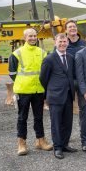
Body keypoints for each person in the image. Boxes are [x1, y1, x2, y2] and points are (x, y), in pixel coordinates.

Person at [8, 28, 53, 156]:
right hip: (23, 91)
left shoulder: (42, 52)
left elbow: (46, 71)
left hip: (39, 90)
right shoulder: (17, 53)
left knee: (39, 117)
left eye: (34, 36)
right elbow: (12, 73)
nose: (33, 38)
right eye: (30, 36)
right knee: (22, 117)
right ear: (24, 38)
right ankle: (21, 144)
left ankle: (40, 141)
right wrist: (22, 82)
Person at [40, 33, 77, 159]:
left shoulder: (71, 57)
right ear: (55, 43)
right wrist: (49, 93)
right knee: (56, 123)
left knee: (67, 122)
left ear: (67, 42)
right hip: (55, 96)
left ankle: (65, 144)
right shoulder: (49, 59)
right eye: (60, 42)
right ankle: (57, 148)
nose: (62, 44)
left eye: (64, 42)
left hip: (68, 95)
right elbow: (43, 79)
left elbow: (71, 75)